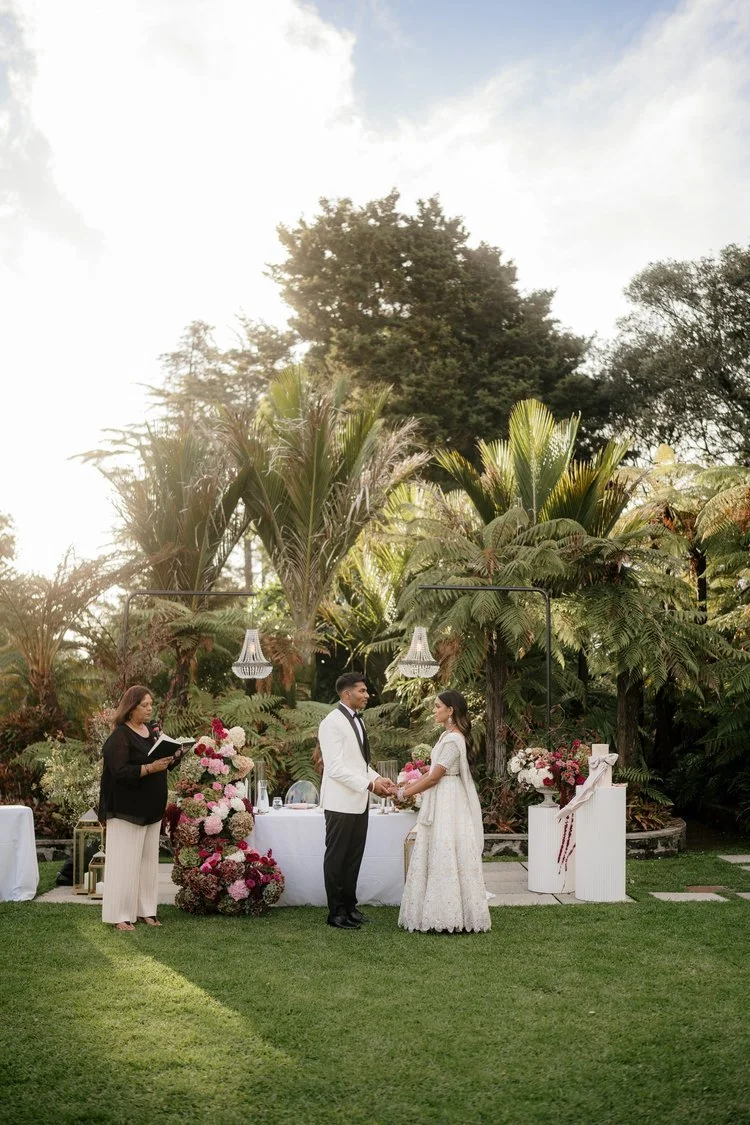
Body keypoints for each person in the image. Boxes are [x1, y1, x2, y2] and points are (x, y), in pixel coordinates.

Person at [397, 690, 491, 933]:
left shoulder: (453, 740)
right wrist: (410, 785)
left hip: (449, 799)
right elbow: (430, 775)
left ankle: (448, 914)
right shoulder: (446, 736)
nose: (434, 710)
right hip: (443, 795)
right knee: (439, 849)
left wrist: (404, 794)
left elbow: (434, 778)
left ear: (451, 710)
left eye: (437, 706)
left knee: (446, 849)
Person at [318, 672, 396, 929]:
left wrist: (378, 779)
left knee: (353, 858)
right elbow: (335, 768)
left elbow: (360, 764)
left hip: (358, 801)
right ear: (346, 693)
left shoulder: (358, 722)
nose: (367, 695)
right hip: (340, 803)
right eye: (361, 691)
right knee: (337, 858)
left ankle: (350, 906)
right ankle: (336, 912)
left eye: (366, 690)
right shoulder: (331, 723)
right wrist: (370, 785)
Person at [98, 685, 179, 931]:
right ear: (131, 708)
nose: (149, 708)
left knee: (147, 863)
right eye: (144, 704)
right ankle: (120, 915)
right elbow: (120, 772)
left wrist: (173, 757)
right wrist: (150, 769)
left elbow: (157, 761)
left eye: (150, 704)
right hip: (126, 810)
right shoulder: (120, 736)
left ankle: (146, 910)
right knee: (124, 863)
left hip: (151, 809)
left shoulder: (152, 733)